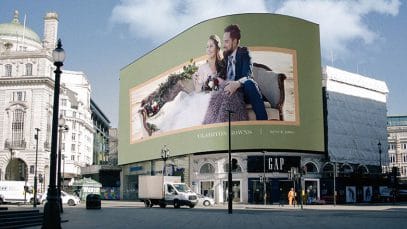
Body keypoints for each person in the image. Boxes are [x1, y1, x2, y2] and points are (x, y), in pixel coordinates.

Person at [222, 24, 268, 120]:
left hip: (245, 91)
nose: (224, 45)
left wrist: (237, 83)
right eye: (224, 42)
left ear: (234, 41)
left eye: (226, 41)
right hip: (230, 94)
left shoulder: (244, 53)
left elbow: (247, 75)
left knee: (249, 83)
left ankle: (263, 122)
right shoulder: (225, 55)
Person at [202, 35, 248, 124]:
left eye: (211, 46)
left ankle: (222, 121)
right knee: (219, 93)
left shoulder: (226, 63)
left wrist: (219, 81)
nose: (209, 49)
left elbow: (233, 80)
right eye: (207, 47)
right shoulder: (205, 67)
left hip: (231, 89)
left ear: (217, 48)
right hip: (215, 91)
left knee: (226, 93)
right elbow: (204, 87)